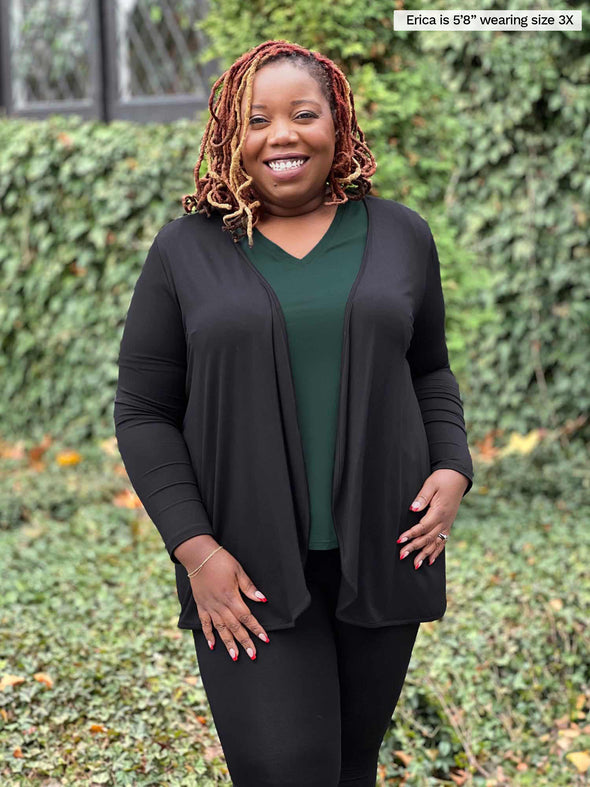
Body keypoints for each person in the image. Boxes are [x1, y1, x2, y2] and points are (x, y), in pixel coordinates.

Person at [113, 39, 474, 787]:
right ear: (229, 138)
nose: (282, 134)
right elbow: (144, 410)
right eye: (258, 120)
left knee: (348, 766)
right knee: (286, 769)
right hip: (242, 570)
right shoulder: (186, 252)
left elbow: (430, 369)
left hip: (385, 550)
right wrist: (197, 552)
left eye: (303, 114)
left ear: (336, 124)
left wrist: (452, 465)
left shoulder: (402, 234)